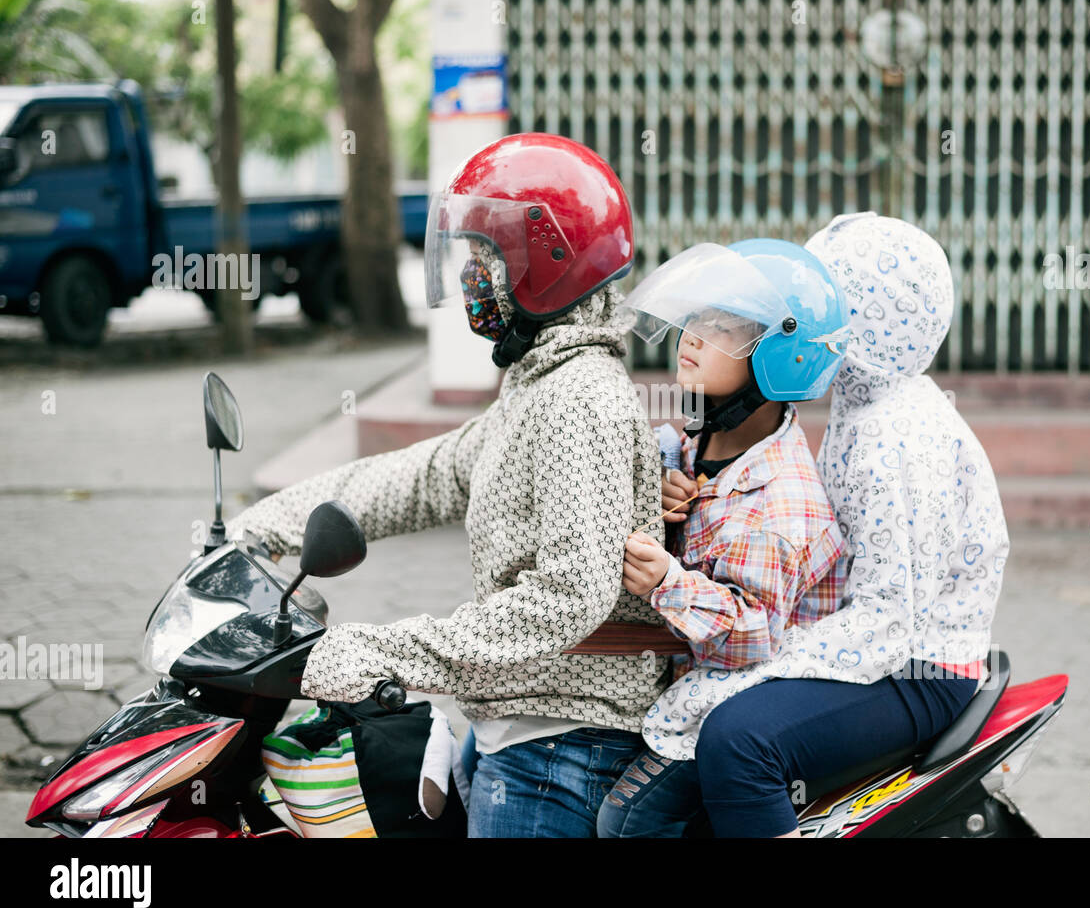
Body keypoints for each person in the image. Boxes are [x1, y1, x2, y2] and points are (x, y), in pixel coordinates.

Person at [226, 132, 686, 839]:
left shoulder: (580, 397)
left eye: (485, 254)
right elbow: (422, 477)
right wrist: (265, 525)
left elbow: (569, 597)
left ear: (548, 260)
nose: (471, 271)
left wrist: (386, 652)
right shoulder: (539, 384)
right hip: (524, 730)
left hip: (563, 749)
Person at [640, 212, 1011, 838]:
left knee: (739, 741)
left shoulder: (892, 437)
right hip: (881, 646)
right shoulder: (863, 405)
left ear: (860, 318)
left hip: (918, 669)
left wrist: (760, 663)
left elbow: (890, 621)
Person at [593, 239, 849, 838]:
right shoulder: (706, 439)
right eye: (697, 319)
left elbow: (754, 636)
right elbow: (670, 447)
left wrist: (667, 583)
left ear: (780, 358)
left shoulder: (779, 504)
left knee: (625, 821)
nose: (693, 337)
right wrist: (658, 477)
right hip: (690, 679)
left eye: (725, 328)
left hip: (736, 694)